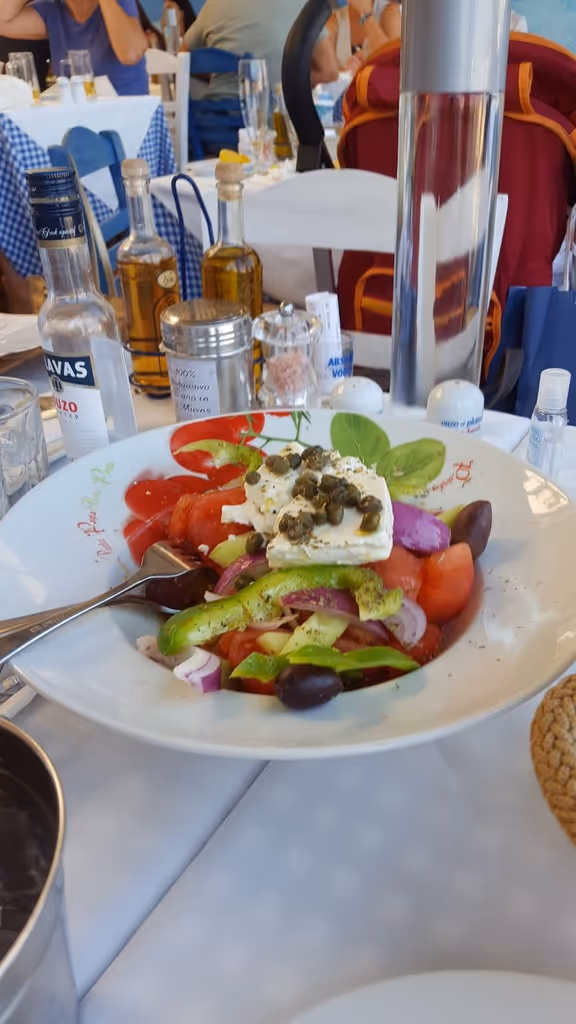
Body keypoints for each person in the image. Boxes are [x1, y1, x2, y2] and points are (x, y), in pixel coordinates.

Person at [182, 0, 339, 99]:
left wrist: (222, 73)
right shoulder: (301, 4)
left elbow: (182, 60)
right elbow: (329, 72)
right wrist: (286, 80)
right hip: (273, 129)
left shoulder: (213, 5)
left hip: (212, 129)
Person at [0, 0, 149, 95]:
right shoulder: (52, 10)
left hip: (127, 120)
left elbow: (130, 54)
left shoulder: (118, 2)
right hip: (80, 122)